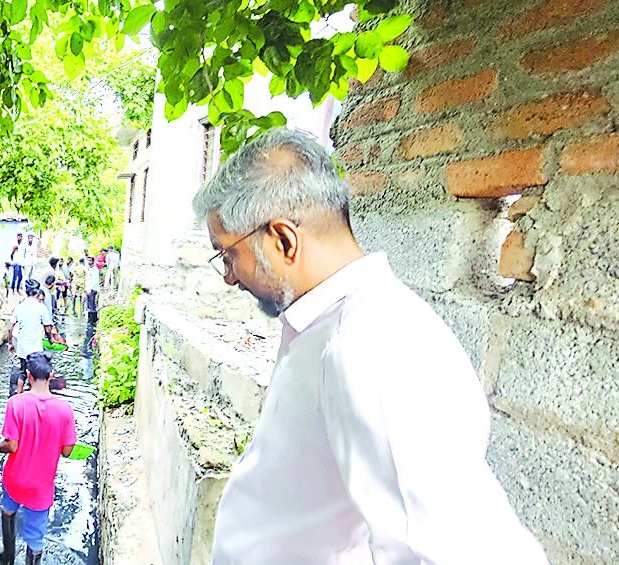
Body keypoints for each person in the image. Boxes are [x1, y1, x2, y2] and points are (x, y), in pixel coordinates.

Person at [193, 129, 548, 564]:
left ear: (284, 240)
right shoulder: (326, 326)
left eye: (227, 255)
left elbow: (458, 549)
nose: (229, 277)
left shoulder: (367, 344)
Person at [0, 352, 78, 565]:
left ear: (28, 375)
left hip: (14, 479)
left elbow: (11, 445)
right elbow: (68, 451)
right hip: (41, 487)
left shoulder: (16, 404)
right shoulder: (65, 410)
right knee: (35, 538)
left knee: (8, 512)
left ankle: (6, 558)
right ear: (51, 376)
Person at [8, 280, 59, 396]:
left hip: (22, 346)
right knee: (36, 373)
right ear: (37, 292)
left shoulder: (19, 307)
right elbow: (47, 327)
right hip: (35, 348)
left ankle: (19, 395)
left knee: (22, 372)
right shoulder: (41, 308)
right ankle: (34, 395)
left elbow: (10, 327)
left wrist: (10, 343)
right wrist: (51, 339)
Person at [8, 233, 25, 298]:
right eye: (18, 237)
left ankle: (17, 289)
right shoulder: (15, 245)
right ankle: (13, 290)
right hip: (16, 263)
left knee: (20, 277)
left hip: (20, 263)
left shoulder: (21, 246)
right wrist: (13, 262)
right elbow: (11, 255)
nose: (19, 238)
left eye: (20, 237)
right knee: (15, 277)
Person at [85, 255, 100, 324]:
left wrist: (90, 289)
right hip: (90, 288)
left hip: (92, 289)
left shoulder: (94, 269)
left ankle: (92, 320)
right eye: (88, 260)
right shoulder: (91, 269)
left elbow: (93, 280)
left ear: (93, 261)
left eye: (90, 260)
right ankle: (91, 319)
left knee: (91, 304)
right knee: (90, 304)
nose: (89, 262)